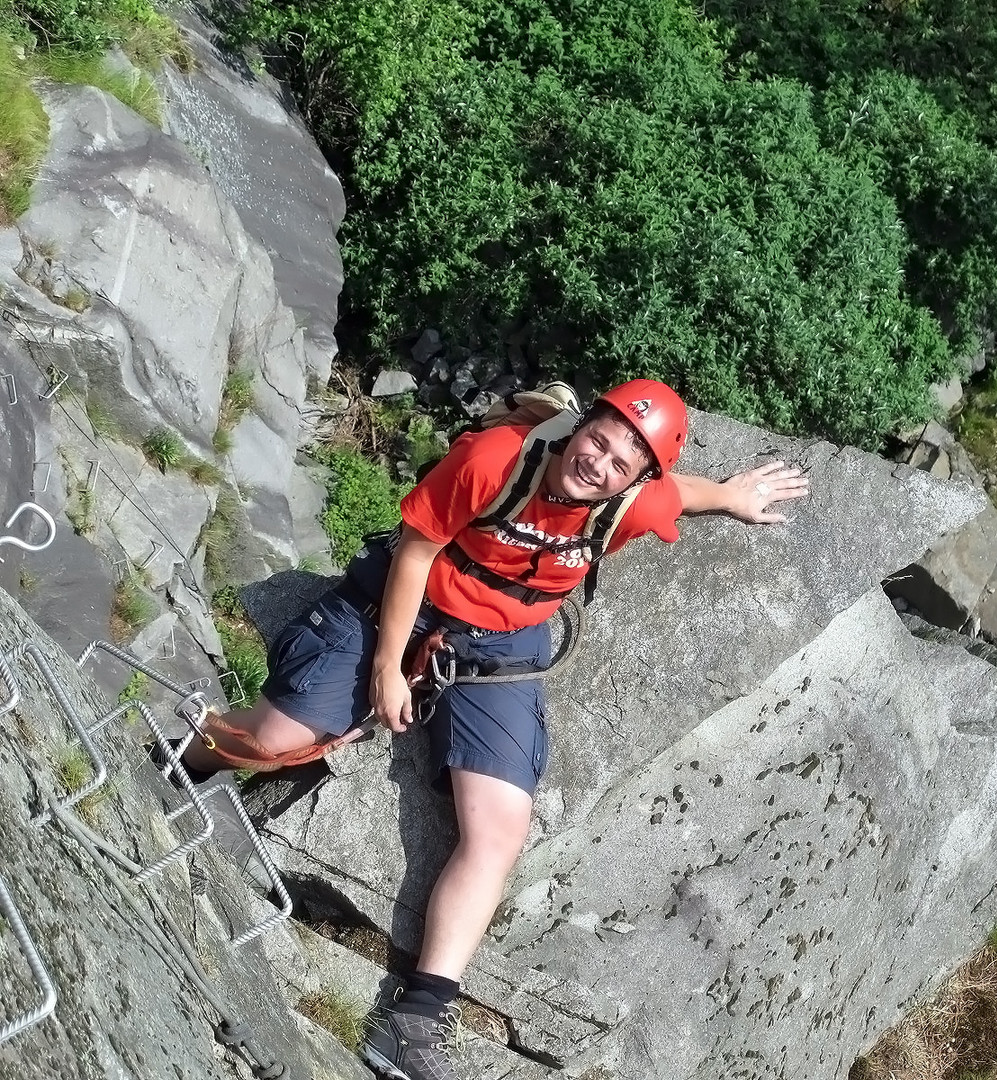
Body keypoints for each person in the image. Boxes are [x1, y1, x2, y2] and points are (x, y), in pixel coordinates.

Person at [179, 378, 809, 1080]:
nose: (600, 462)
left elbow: (679, 493)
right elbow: (416, 553)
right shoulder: (494, 460)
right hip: (409, 602)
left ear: (634, 478)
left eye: (623, 461)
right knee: (272, 741)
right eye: (599, 438)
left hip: (503, 646)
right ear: (579, 424)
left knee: (501, 826)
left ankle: (416, 1019)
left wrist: (734, 495)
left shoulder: (636, 501)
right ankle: (181, 759)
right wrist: (389, 667)